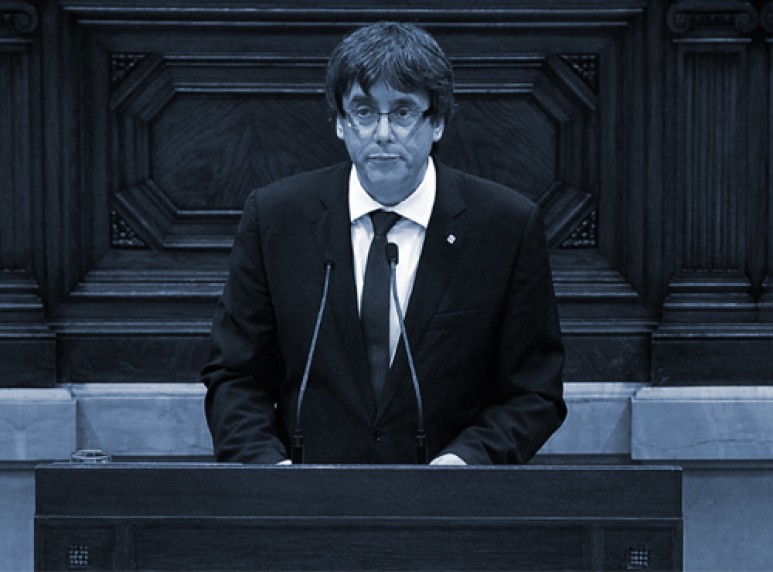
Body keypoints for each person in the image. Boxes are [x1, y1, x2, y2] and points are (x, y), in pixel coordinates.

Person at [201, 21, 566, 465]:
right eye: (364, 112)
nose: (383, 133)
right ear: (340, 123)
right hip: (304, 491)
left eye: (404, 112)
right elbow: (235, 374)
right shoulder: (277, 217)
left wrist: (466, 464)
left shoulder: (505, 226)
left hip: (448, 494)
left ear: (437, 122)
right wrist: (266, 467)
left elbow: (534, 391)